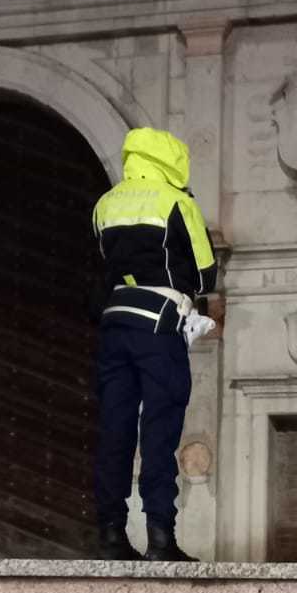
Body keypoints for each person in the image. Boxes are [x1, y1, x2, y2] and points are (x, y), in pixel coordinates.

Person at [91, 127, 217, 562]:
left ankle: (111, 536)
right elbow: (205, 273)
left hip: (115, 322)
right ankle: (161, 539)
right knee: (159, 432)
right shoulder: (177, 202)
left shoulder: (106, 204)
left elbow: (104, 262)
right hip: (159, 325)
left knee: (115, 429)